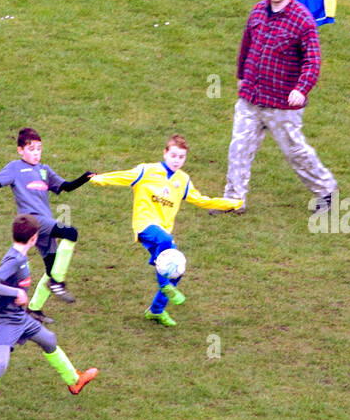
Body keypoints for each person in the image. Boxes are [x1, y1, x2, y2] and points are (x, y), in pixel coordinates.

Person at [90, 135, 241, 327]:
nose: (177, 160)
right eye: (174, 155)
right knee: (166, 243)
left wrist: (230, 203)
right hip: (145, 225)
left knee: (176, 270)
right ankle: (163, 282)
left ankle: (156, 311)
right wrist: (99, 179)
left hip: (163, 232)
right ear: (165, 153)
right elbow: (123, 176)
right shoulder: (147, 170)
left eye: (181, 157)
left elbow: (202, 200)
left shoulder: (183, 180)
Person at [0, 216, 97, 420]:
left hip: (20, 317)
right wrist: (15, 291)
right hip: (4, 320)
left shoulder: (21, 256)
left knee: (49, 339)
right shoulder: (14, 260)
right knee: (0, 364)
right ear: (34, 238)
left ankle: (74, 381)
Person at [222, 0, 338, 213]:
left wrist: (302, 89)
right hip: (251, 97)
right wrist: (241, 75)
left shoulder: (302, 19)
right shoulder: (257, 12)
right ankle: (234, 199)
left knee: (295, 152)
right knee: (239, 148)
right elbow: (246, 46)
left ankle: (327, 190)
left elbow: (312, 61)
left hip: (283, 104)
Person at [0, 128, 93, 320]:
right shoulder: (15, 167)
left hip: (43, 228)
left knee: (52, 267)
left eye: (39, 149)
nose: (36, 153)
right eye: (31, 149)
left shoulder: (44, 170)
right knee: (71, 233)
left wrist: (84, 178)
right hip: (32, 220)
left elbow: (65, 187)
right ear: (20, 150)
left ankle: (34, 309)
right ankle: (59, 283)